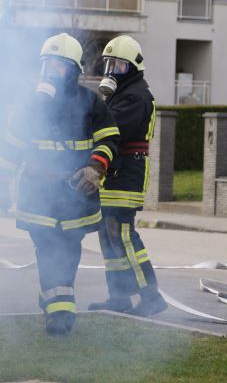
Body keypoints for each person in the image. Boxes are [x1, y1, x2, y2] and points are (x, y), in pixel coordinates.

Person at [0, 33, 120, 335]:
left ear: (74, 70)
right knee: (48, 249)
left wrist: (95, 168)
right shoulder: (30, 105)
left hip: (76, 193)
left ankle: (55, 299)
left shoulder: (90, 102)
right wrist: (1, 185)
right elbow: (10, 149)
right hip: (39, 194)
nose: (50, 71)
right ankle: (60, 312)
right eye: (46, 65)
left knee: (69, 249)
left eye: (58, 65)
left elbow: (109, 140)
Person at [88, 35, 167, 316]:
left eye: (119, 66)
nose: (112, 72)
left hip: (127, 173)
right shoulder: (121, 94)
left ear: (133, 67)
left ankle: (151, 296)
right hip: (114, 172)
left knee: (122, 234)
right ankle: (119, 296)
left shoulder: (136, 96)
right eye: (109, 65)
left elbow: (110, 130)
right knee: (107, 235)